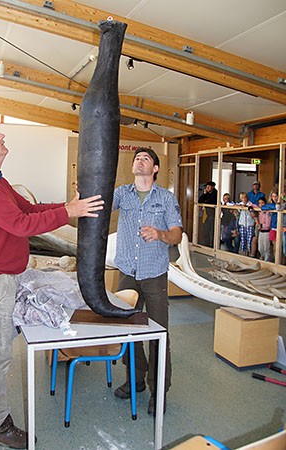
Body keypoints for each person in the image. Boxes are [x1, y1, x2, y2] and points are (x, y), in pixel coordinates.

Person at [0, 123, 104, 449]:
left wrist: (66, 209)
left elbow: (26, 209)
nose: (3, 136)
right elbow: (20, 224)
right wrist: (68, 211)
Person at [112, 147, 182, 416]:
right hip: (128, 272)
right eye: (136, 158)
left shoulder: (165, 198)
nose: (139, 161)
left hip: (154, 274)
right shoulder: (121, 193)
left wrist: (160, 234)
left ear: (155, 169)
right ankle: (135, 380)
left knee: (158, 335)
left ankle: (159, 390)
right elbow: (99, 205)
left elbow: (176, 234)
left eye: (145, 158)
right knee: (127, 332)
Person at [198, 181, 217, 247]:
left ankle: (212, 245)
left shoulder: (215, 193)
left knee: (212, 231)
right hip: (208, 214)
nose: (207, 188)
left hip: (213, 214)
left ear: (213, 187)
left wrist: (205, 201)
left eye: (209, 186)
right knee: (206, 230)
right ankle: (206, 244)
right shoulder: (207, 194)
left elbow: (210, 201)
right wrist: (204, 194)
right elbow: (200, 200)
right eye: (206, 187)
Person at [237, 192, 256, 256]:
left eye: (245, 197)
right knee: (243, 239)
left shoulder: (251, 204)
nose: (244, 199)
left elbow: (253, 214)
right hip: (242, 224)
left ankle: (249, 253)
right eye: (242, 198)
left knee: (249, 239)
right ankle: (244, 253)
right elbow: (235, 207)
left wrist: (249, 208)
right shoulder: (240, 204)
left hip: (250, 224)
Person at [256, 196, 272, 261]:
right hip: (261, 232)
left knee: (266, 248)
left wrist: (261, 225)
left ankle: (267, 259)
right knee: (260, 248)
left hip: (266, 231)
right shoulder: (259, 212)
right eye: (259, 203)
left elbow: (268, 223)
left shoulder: (268, 212)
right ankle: (262, 256)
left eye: (262, 203)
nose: (261, 204)